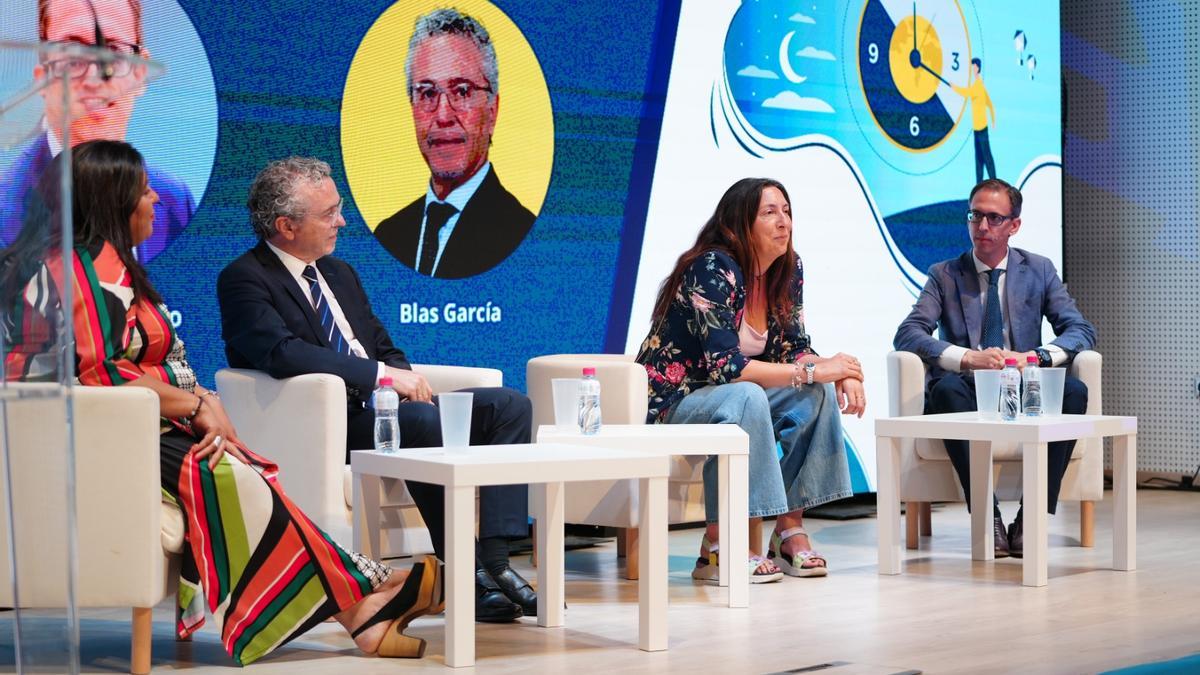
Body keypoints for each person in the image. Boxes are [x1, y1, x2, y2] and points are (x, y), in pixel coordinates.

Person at [0, 140, 441, 664]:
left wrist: (202, 397)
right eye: (143, 191)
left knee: (246, 468)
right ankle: (365, 593)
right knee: (230, 473)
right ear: (111, 202)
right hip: (83, 435)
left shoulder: (110, 267)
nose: (156, 201)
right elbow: (103, 378)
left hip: (136, 424)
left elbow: (148, 363)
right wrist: (193, 406)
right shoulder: (74, 273)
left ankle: (361, 611)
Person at [217, 156, 535, 622]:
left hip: (386, 409)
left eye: (339, 208)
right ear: (285, 225)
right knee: (421, 421)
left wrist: (400, 381)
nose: (341, 221)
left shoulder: (339, 273)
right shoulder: (245, 278)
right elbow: (282, 353)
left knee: (509, 407)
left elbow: (382, 345)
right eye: (328, 213)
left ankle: (497, 560)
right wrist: (384, 380)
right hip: (330, 425)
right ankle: (464, 572)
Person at [635, 177, 863, 582]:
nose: (784, 222)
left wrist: (839, 370)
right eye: (770, 213)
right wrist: (814, 368)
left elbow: (795, 348)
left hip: (732, 396)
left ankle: (789, 531)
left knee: (817, 394)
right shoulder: (712, 267)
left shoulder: (787, 271)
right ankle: (719, 547)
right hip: (674, 400)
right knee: (746, 395)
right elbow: (727, 367)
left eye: (787, 211)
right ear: (739, 223)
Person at [893, 177, 1096, 557]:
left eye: (993, 218)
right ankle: (988, 515)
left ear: (1013, 225)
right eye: (975, 216)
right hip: (970, 387)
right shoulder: (945, 274)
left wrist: (1033, 357)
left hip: (1025, 384)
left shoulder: (1038, 269)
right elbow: (908, 333)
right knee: (945, 391)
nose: (982, 227)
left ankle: (1032, 515)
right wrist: (967, 357)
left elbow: (1080, 329)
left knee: (1074, 392)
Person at [0, 0, 194, 262]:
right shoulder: (5, 209)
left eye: (113, 50)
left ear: (141, 73)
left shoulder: (176, 204)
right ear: (42, 76)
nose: (93, 78)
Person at [373, 7, 534, 279]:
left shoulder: (523, 235)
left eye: (462, 91)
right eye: (427, 93)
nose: (443, 115)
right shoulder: (388, 234)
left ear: (492, 111)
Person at [951, 58, 998, 185]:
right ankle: (979, 185)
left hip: (982, 129)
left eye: (973, 67)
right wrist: (993, 120)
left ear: (977, 68)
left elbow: (967, 93)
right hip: (977, 130)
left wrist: (954, 87)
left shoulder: (978, 86)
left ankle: (994, 181)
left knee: (986, 157)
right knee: (978, 158)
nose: (972, 70)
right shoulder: (978, 85)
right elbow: (990, 104)